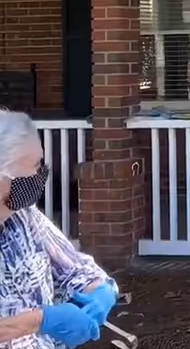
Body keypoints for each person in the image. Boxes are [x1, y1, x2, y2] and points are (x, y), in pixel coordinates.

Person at [0, 110, 121, 348]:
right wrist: (37, 321)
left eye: (39, 166)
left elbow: (77, 270)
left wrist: (100, 292)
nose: (37, 179)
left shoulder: (25, 216)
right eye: (25, 176)